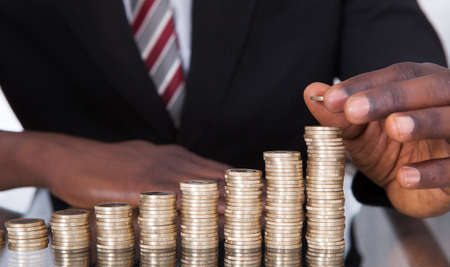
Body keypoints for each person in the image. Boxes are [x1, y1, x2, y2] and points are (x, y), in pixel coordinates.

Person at [0, 0, 448, 218]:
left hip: (290, 261)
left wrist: (426, 160)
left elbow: (406, 83)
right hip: (78, 260)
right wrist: (46, 156)